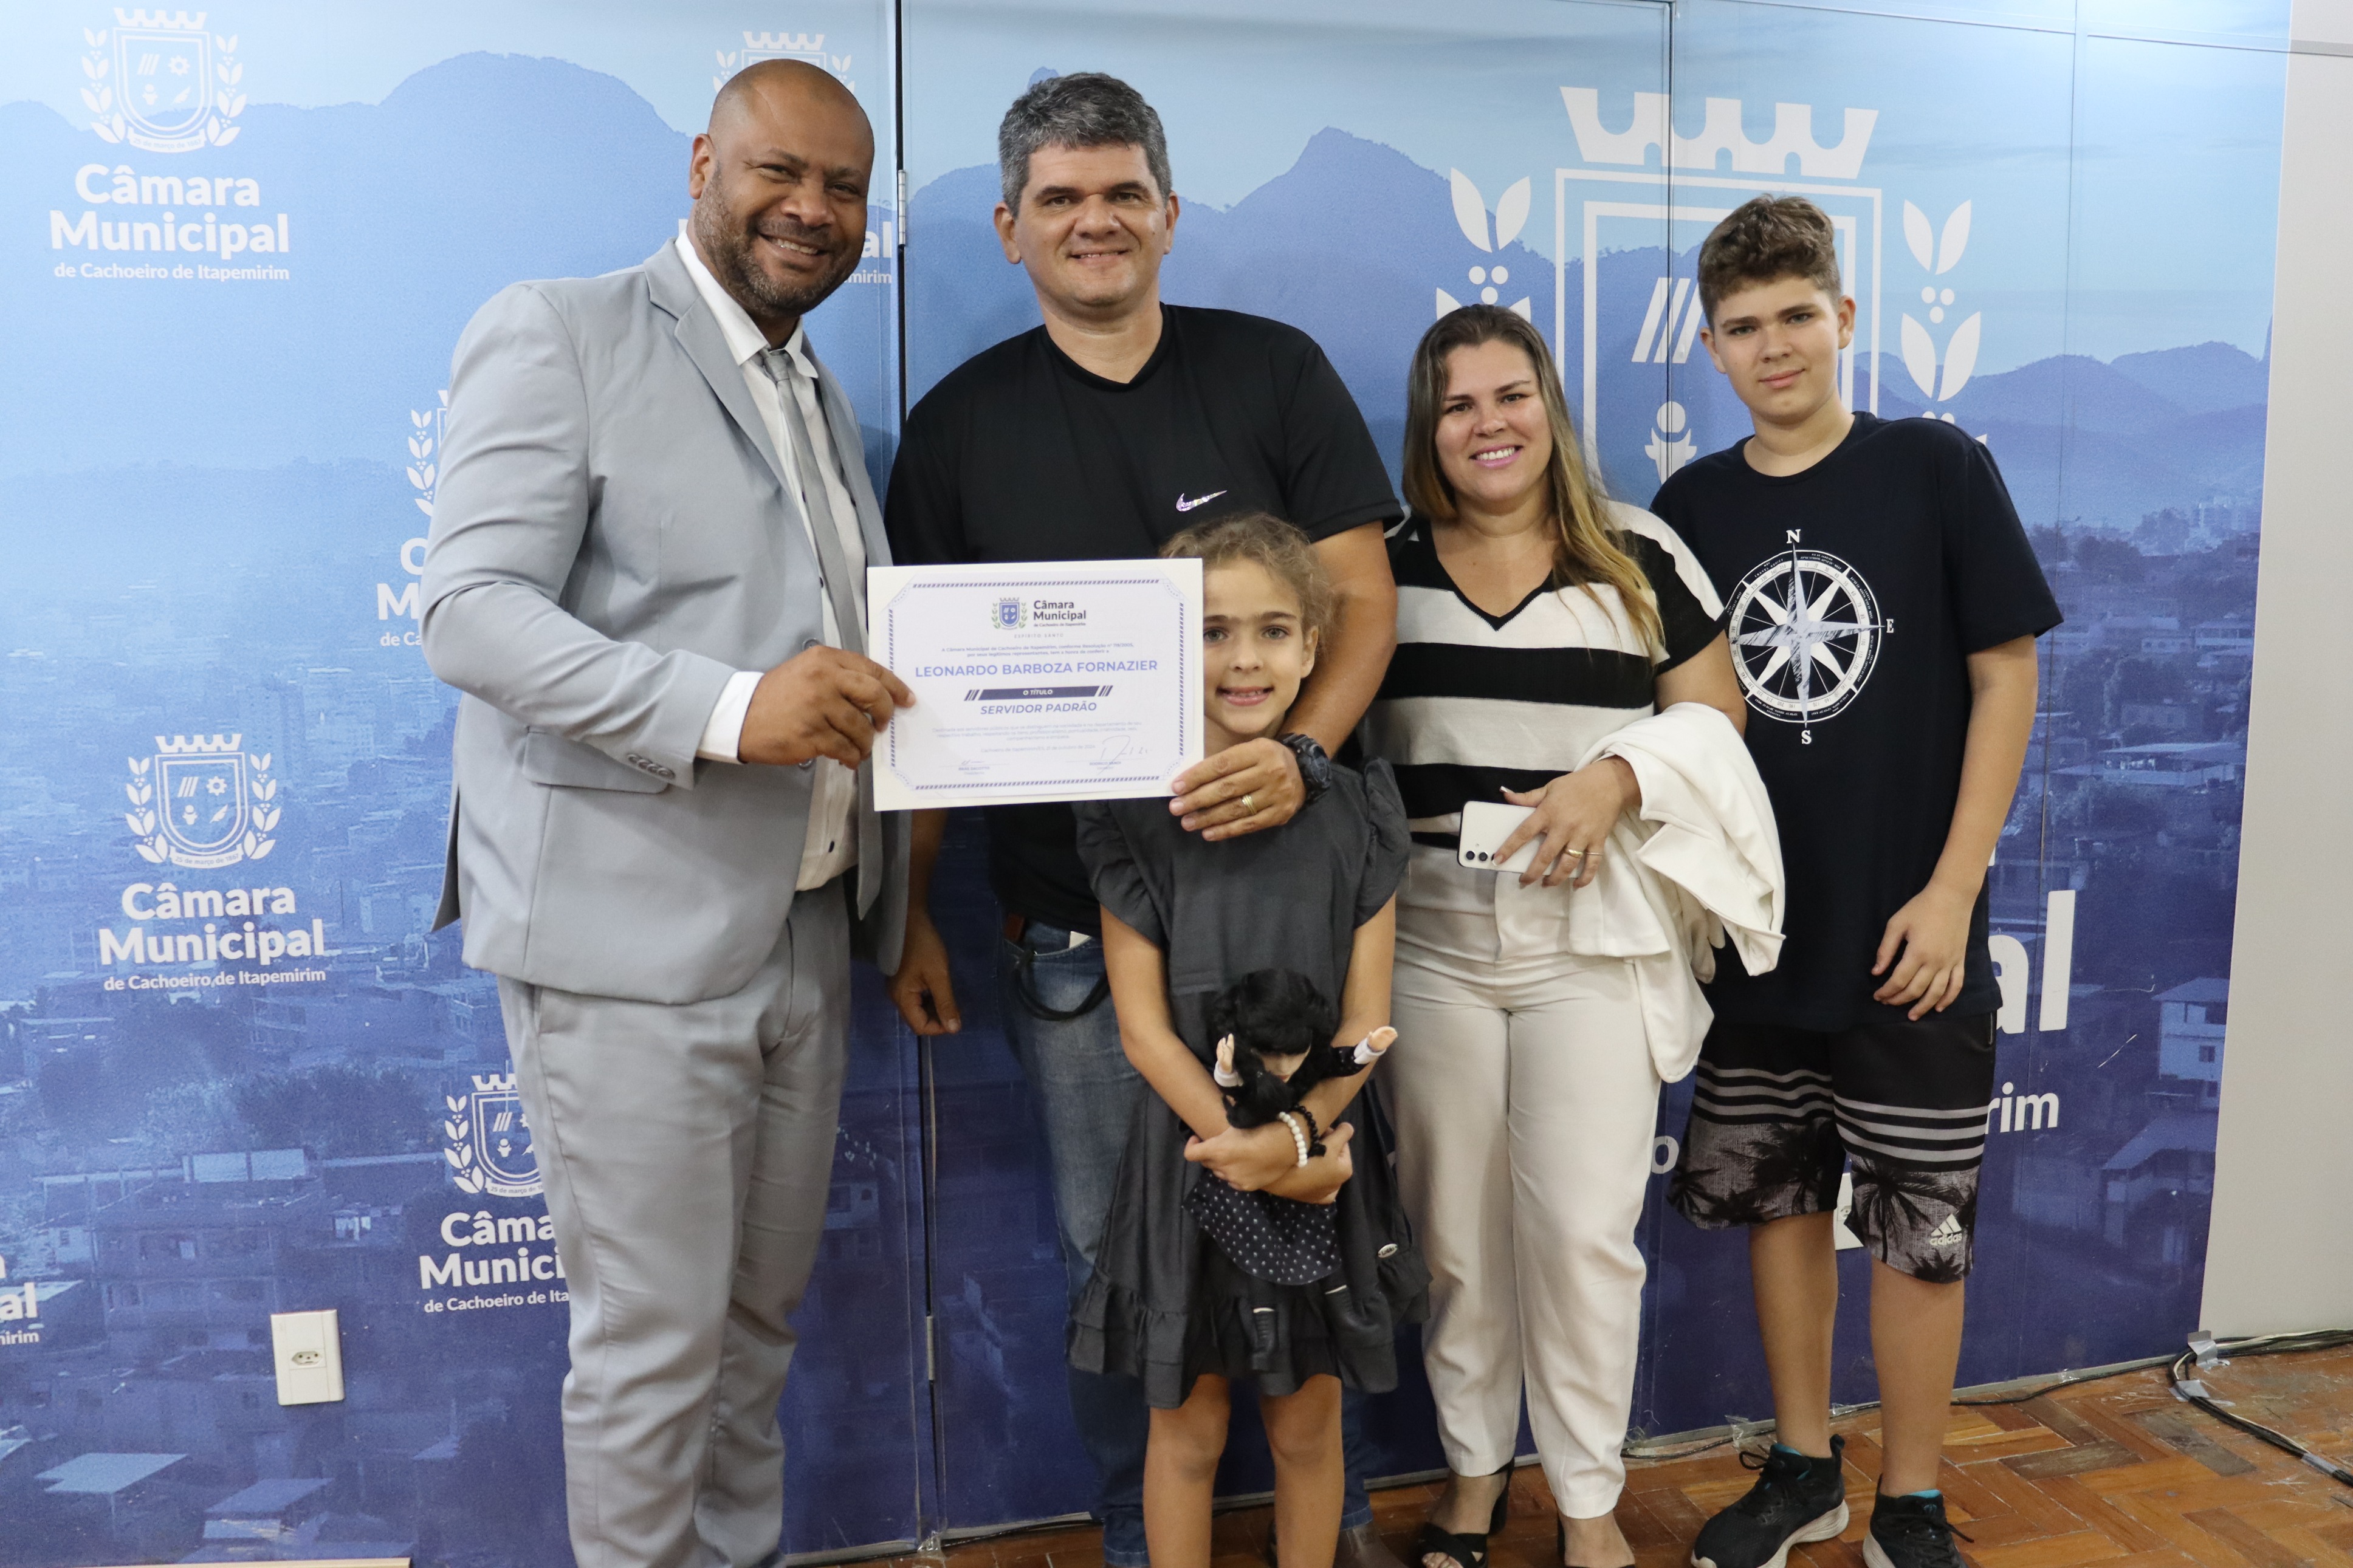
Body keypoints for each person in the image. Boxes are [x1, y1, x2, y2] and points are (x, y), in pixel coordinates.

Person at [883, 72, 1405, 1568]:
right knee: (1117, 1263)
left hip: (1296, 932)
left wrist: (1300, 756)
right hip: (1078, 931)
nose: (1093, 220)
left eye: (1121, 192)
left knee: (1313, 1235)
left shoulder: (1274, 373)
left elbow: (1361, 600)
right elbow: (930, 700)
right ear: (1009, 228)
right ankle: (1135, 1526)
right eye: (1059, 198)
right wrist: (910, 903)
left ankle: (1328, 1520)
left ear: (1170, 213)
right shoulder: (957, 429)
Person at [421, 60, 910, 1568]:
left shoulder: (815, 390)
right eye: (780, 172)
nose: (811, 209)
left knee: (754, 1335)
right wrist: (726, 710)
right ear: (704, 164)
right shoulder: (560, 330)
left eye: (843, 187)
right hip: (627, 937)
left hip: (804, 931)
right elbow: (468, 610)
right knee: (652, 1350)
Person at [1656, 196, 2060, 1568]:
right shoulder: (1690, 509)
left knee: (1919, 1228)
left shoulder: (1936, 466)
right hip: (1761, 938)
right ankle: (1801, 1467)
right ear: (1710, 346)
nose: (1773, 346)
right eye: (1742, 327)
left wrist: (1953, 890)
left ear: (1842, 316)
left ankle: (1914, 1498)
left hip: (1913, 934)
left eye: (1795, 316)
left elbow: (2006, 675)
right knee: (1777, 1201)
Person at [1363, 306, 1776, 1568]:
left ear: (1550, 406)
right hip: (1428, 941)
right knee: (1451, 1234)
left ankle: (1587, 1499)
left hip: (1588, 939)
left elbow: (1717, 723)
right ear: (1428, 427)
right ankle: (1474, 1475)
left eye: (1511, 396)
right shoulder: (1378, 565)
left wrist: (1617, 777)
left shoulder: (1638, 553)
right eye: (1458, 404)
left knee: (1587, 1235)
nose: (1488, 424)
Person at [1068, 513, 1422, 1568]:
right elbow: (1143, 1028)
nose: (1244, 659)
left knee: (1309, 1425)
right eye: (1213, 632)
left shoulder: (1359, 813)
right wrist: (1245, 1147)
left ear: (1313, 646)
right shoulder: (1133, 813)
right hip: (1191, 1156)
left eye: (1272, 631)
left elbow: (1365, 1021)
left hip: (1325, 1159)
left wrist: (1297, 1141)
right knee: (1188, 1428)